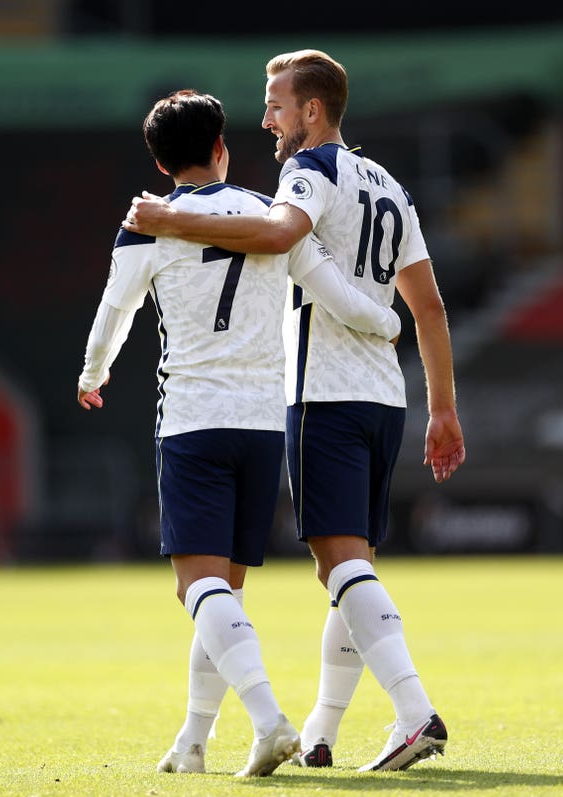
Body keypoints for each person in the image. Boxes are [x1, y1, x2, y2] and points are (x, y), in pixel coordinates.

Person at [123, 50, 466, 773]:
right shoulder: (391, 188)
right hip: (387, 400)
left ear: (313, 111)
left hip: (325, 394)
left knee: (338, 566)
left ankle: (414, 711)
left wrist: (169, 222)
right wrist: (443, 408)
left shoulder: (309, 171)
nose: (267, 118)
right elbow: (427, 304)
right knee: (349, 570)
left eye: (276, 104)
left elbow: (281, 236)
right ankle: (319, 729)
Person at [78, 88, 404, 778]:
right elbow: (339, 296)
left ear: (162, 162)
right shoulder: (267, 214)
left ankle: (268, 720)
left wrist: (92, 373)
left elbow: (115, 310)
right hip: (264, 427)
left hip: (195, 420)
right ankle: (193, 742)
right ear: (221, 148)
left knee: (196, 587)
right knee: (222, 590)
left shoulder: (150, 222)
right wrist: (388, 323)